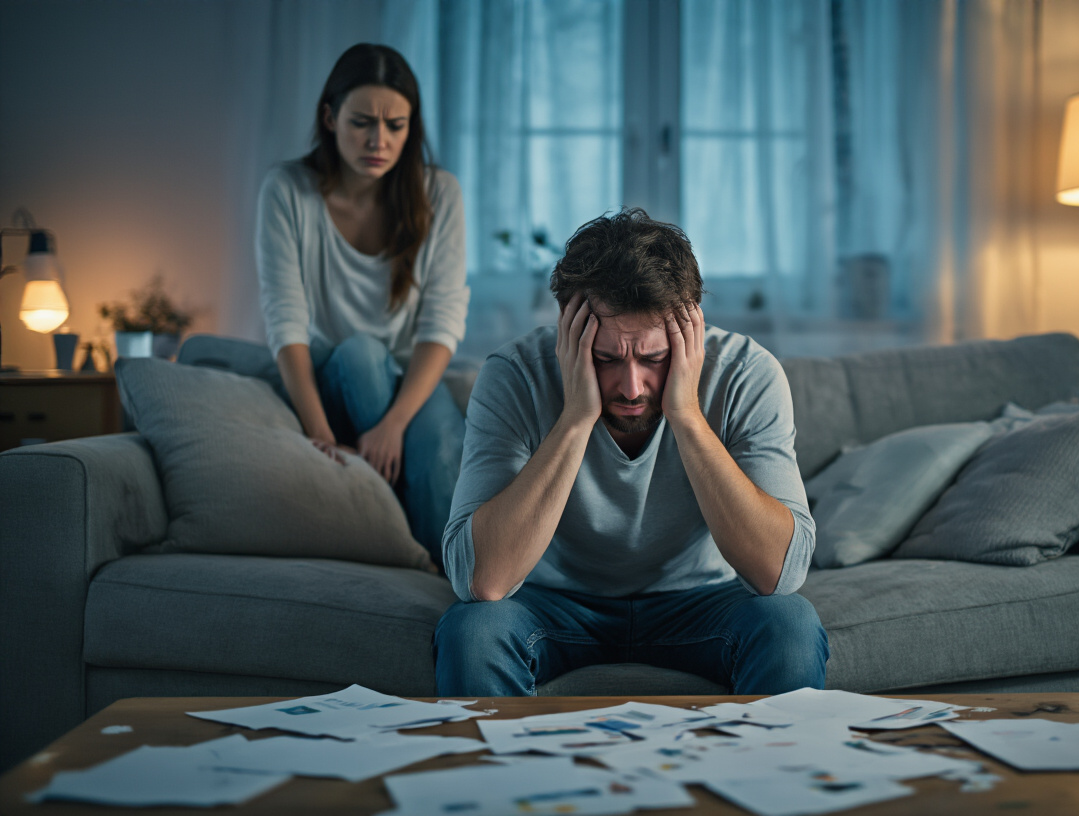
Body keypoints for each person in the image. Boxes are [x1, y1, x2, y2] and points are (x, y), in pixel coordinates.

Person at [434, 207, 827, 695]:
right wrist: (577, 417)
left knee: (789, 623)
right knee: (472, 633)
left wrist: (686, 415)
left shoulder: (747, 374)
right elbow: (480, 581)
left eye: (655, 358)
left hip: (701, 600)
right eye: (605, 359)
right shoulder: (514, 375)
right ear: (568, 328)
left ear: (691, 331)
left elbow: (779, 575)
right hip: (554, 601)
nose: (632, 386)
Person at [255, 43, 468, 567]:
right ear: (329, 118)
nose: (380, 140)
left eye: (396, 125)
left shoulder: (439, 193)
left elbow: (442, 321)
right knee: (358, 355)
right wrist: (320, 435)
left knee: (439, 442)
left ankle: (461, 578)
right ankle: (434, 561)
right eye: (362, 123)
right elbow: (286, 323)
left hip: (407, 383)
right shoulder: (287, 191)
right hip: (335, 379)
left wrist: (395, 422)